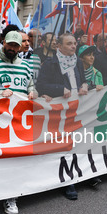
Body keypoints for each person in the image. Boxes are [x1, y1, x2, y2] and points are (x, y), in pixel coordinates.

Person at [0, 31, 36, 214]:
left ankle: (11, 196)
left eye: (16, 46)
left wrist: (33, 91)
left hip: (20, 119)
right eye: (10, 45)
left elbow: (31, 84)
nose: (13, 49)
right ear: (4, 43)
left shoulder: (24, 65)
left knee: (16, 157)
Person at [36, 33, 88, 200]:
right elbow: (41, 86)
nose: (74, 46)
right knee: (63, 146)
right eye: (69, 44)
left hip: (76, 108)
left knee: (76, 143)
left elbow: (83, 80)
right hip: (59, 111)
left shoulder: (78, 62)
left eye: (74, 43)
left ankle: (81, 174)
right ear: (59, 46)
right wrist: (60, 89)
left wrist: (86, 85)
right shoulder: (50, 64)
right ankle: (67, 181)